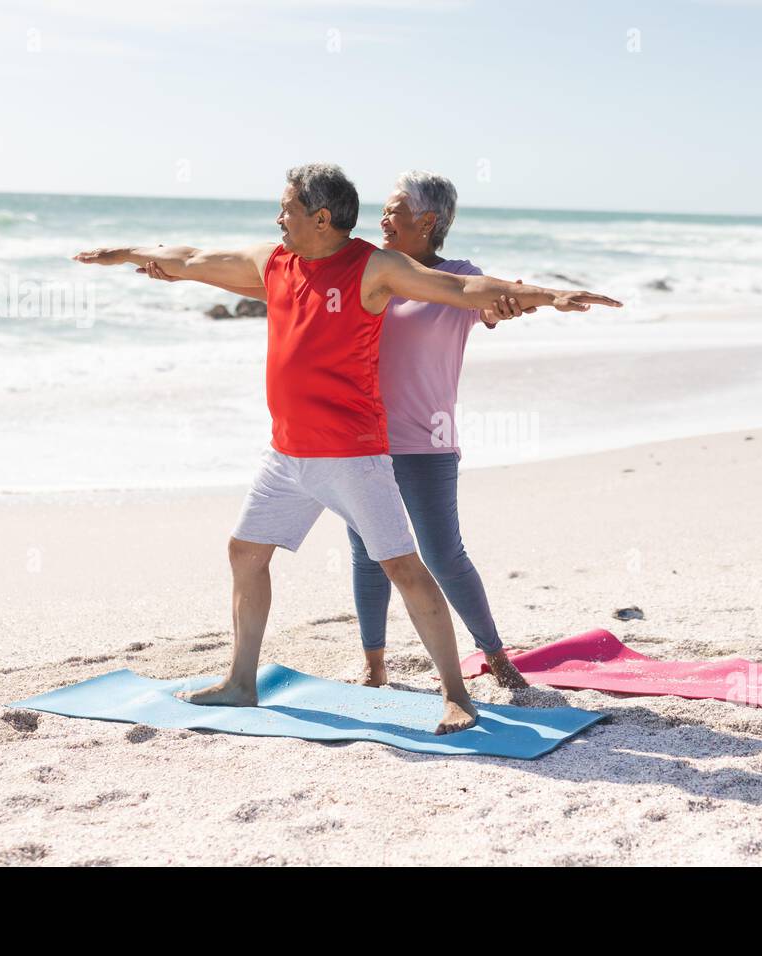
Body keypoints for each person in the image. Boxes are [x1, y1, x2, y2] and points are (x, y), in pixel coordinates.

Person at [74, 163, 620, 734]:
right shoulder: (274, 261)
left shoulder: (373, 267)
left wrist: (550, 295)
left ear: (321, 217)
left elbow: (461, 289)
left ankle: (457, 693)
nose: (277, 217)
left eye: (285, 207)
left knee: (406, 566)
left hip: (355, 453)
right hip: (286, 454)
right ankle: (242, 681)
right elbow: (193, 258)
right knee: (245, 553)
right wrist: (129, 252)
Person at [142, 171, 532, 691]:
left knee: (440, 554)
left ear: (428, 220)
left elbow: (479, 297)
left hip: (422, 438)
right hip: (351, 437)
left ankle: (494, 654)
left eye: (394, 211)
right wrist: (183, 272)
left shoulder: (455, 274)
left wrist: (515, 303)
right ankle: (374, 664)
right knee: (368, 557)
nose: (382, 219)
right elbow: (282, 286)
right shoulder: (366, 265)